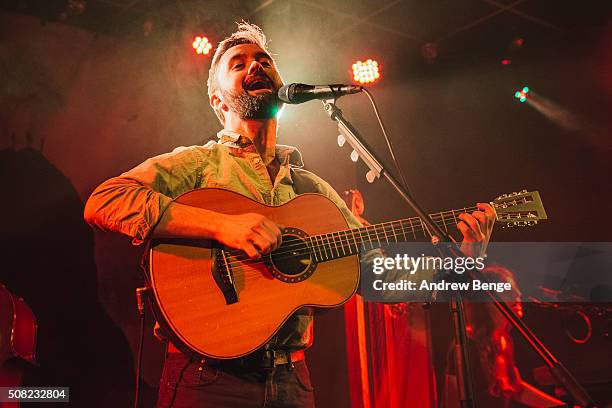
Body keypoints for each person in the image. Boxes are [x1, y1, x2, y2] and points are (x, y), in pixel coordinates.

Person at [84, 22, 496, 408]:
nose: (256, 66)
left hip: (293, 382)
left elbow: (379, 274)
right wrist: (225, 226)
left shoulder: (312, 191)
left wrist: (464, 261)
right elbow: (105, 200)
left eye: (264, 60)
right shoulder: (198, 165)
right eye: (239, 64)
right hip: (209, 379)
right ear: (217, 100)